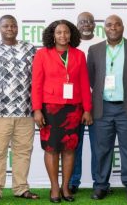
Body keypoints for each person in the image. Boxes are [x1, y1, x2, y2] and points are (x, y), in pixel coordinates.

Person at [0, 15, 39, 202]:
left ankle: (21, 188)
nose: (10, 29)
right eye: (6, 26)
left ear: (18, 28)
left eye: (13, 25)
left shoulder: (30, 50)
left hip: (26, 112)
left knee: (23, 151)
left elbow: (38, 80)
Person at [87, 15, 127, 201]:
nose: (113, 28)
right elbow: (91, 77)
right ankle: (100, 185)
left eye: (117, 24)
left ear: (123, 27)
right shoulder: (94, 49)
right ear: (104, 28)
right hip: (102, 108)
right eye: (109, 25)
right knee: (101, 149)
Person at [32, 20, 93, 203]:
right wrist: (36, 110)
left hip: (73, 109)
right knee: (51, 149)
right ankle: (54, 188)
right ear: (52, 35)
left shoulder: (79, 55)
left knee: (69, 149)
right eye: (58, 32)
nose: (62, 36)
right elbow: (36, 84)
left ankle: (66, 187)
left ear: (71, 34)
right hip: (50, 108)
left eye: (66, 32)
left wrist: (87, 109)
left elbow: (84, 83)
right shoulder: (42, 54)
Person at [69, 12, 102, 194]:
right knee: (74, 144)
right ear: (77, 25)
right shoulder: (70, 46)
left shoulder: (101, 45)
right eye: (82, 22)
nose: (86, 24)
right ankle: (74, 181)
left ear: (94, 24)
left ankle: (100, 182)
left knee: (99, 146)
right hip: (74, 103)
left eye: (90, 21)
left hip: (97, 103)